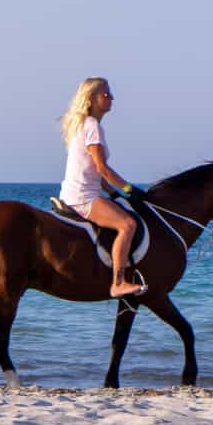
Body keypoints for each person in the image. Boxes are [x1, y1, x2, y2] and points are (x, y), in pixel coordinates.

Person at [57, 77, 146, 298]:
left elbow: (96, 173)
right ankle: (118, 283)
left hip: (75, 192)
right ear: (91, 99)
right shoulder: (92, 126)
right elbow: (102, 168)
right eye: (106, 94)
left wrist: (115, 193)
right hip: (83, 197)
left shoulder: (82, 125)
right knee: (127, 224)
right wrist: (129, 189)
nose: (111, 98)